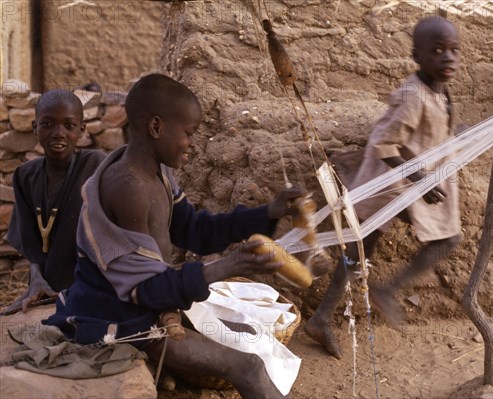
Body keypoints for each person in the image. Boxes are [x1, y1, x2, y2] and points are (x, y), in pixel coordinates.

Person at [43, 74, 302, 398]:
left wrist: (268, 213)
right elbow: (145, 289)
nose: (192, 144)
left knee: (249, 333)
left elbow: (195, 230)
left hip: (153, 300)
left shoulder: (157, 173)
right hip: (121, 317)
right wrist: (230, 265)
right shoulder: (127, 187)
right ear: (156, 127)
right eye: (189, 133)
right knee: (247, 366)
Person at [304, 16, 463, 359]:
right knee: (366, 249)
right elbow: (382, 143)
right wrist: (420, 180)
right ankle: (378, 294)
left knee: (363, 250)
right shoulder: (412, 94)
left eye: (453, 50)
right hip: (389, 182)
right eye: (437, 51)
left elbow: (431, 133)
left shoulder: (439, 89)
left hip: (409, 184)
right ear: (416, 55)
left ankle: (325, 316)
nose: (448, 58)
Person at [3, 89, 106, 314]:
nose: (58, 133)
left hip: (91, 288)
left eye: (69, 126)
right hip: (46, 289)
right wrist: (37, 281)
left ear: (82, 130)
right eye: (47, 124)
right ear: (34, 127)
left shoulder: (96, 166)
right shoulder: (24, 176)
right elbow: (31, 245)